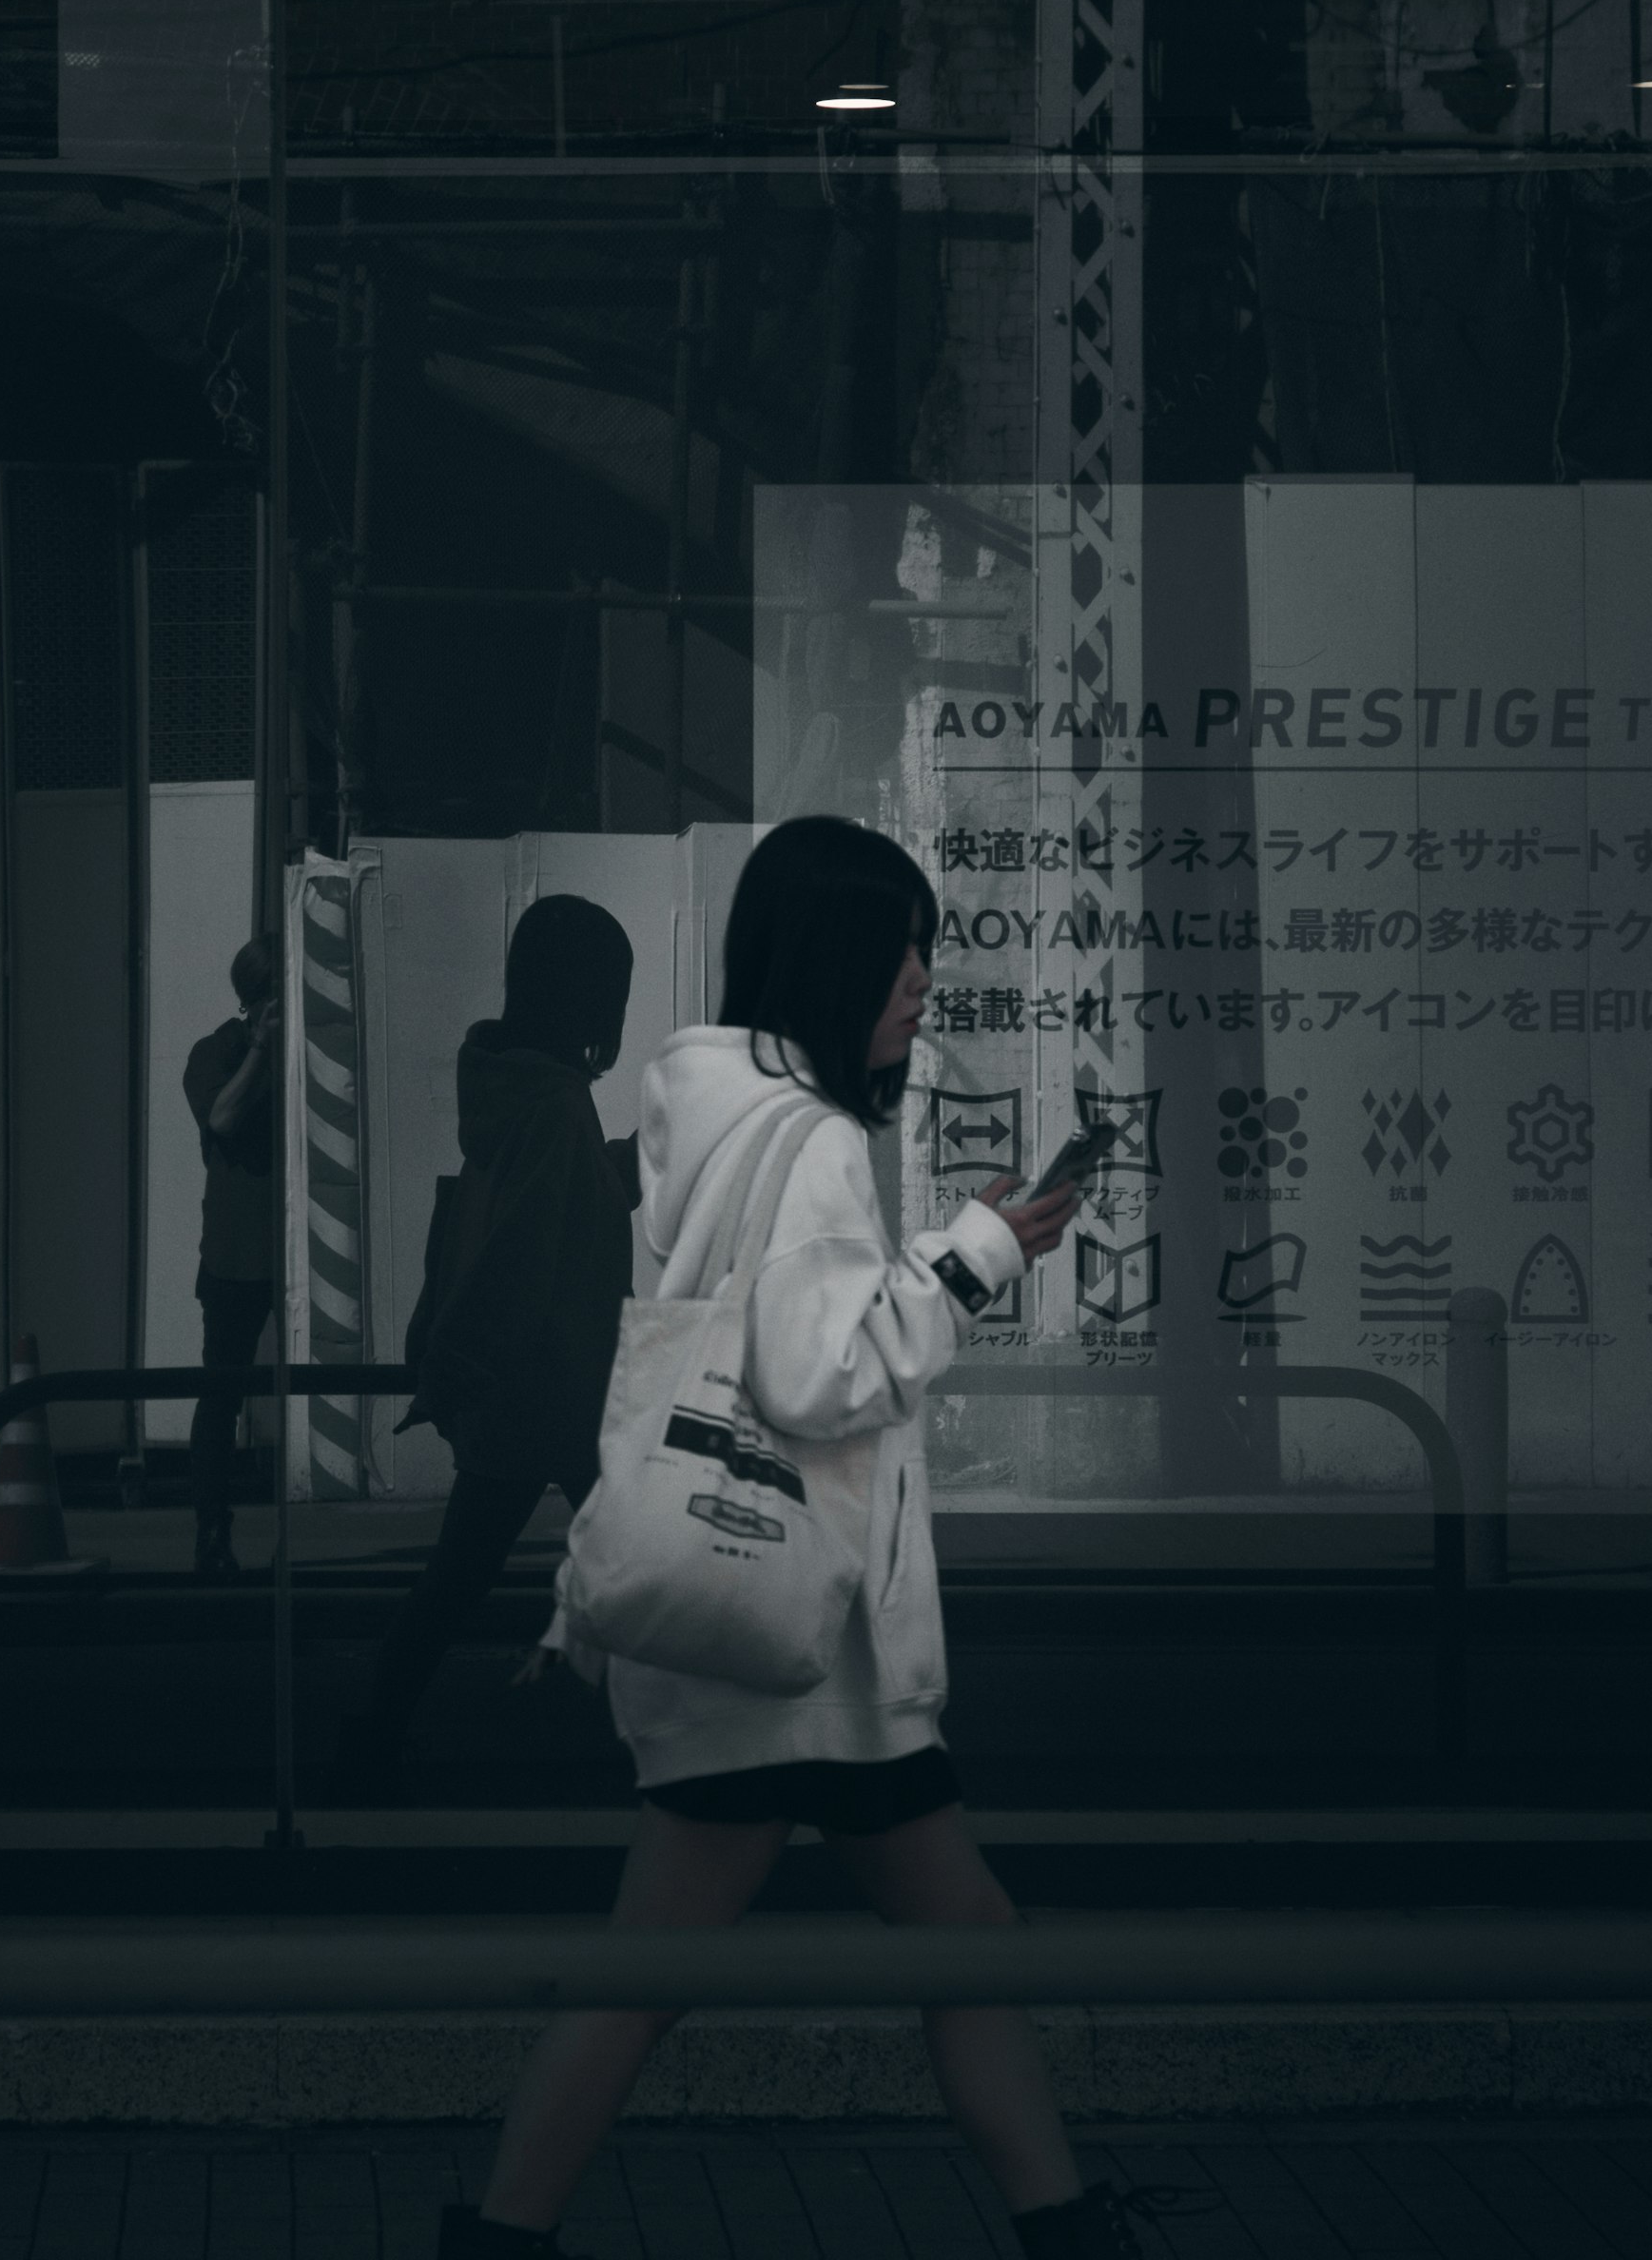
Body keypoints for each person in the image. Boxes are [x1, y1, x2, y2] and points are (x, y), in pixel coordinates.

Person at [446, 816, 1147, 2260]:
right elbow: (819, 1372)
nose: (918, 980)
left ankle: (1068, 2227)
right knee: (678, 1977)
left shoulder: (708, 1105)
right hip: (799, 1661)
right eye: (898, 949)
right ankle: (497, 2240)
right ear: (831, 955)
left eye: (925, 949)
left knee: (945, 1952)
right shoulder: (819, 1141)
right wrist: (983, 1252)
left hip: (766, 1640)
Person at [341, 893, 639, 1796]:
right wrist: (469, 1366)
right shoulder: (552, 1109)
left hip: (531, 1394)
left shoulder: (514, 1091)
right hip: (560, 1389)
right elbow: (527, 1251)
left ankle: (367, 1745)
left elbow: (524, 1215)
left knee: (459, 1584)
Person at [181, 933, 282, 1576]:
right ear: (256, 1000)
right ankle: (211, 1534)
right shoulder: (214, 1052)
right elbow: (220, 1119)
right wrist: (262, 1051)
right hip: (235, 1256)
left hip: (297, 1255)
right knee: (222, 1398)